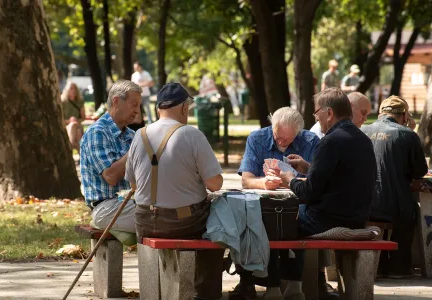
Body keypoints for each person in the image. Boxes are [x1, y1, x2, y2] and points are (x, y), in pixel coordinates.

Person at [125, 83, 224, 300]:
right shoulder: (191, 134)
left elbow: (132, 186)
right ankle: (206, 294)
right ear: (184, 108)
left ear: (159, 108)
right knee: (220, 227)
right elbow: (215, 185)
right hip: (184, 222)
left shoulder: (139, 135)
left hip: (144, 221)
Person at [235, 107, 320, 300]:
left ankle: (294, 285)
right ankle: (272, 286)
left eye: (287, 139)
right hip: (265, 203)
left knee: (297, 218)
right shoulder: (257, 138)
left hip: (298, 204)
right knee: (267, 220)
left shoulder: (310, 141)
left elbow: (318, 182)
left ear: (297, 133)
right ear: (272, 127)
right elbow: (246, 180)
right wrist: (263, 183)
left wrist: (292, 181)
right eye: (278, 136)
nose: (281, 142)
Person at [280, 87, 377, 252]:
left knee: (272, 220)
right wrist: (308, 168)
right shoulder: (363, 140)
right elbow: (342, 177)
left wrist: (289, 179)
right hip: (357, 219)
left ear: (329, 113)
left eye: (317, 113)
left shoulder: (330, 141)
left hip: (325, 221)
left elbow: (308, 193)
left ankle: (282, 276)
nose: (317, 118)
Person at [361, 96, 428, 278]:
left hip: (364, 204)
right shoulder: (407, 134)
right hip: (395, 205)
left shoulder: (363, 130)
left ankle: (380, 266)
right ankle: (398, 268)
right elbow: (420, 170)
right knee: (410, 212)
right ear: (405, 115)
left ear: (382, 113)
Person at [80, 80, 142, 232]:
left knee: (167, 210)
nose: (137, 111)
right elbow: (111, 176)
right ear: (116, 101)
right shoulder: (97, 132)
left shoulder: (131, 135)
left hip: (128, 203)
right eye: (134, 105)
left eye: (139, 106)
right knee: (162, 218)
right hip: (105, 208)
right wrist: (139, 146)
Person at [61, 81, 86, 153]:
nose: (73, 90)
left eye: (75, 88)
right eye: (71, 88)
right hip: (66, 126)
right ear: (67, 90)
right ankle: (82, 158)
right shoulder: (63, 101)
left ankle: (69, 147)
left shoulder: (80, 101)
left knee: (75, 126)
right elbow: (60, 117)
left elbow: (83, 117)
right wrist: (69, 121)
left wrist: (76, 120)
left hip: (78, 125)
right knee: (77, 133)